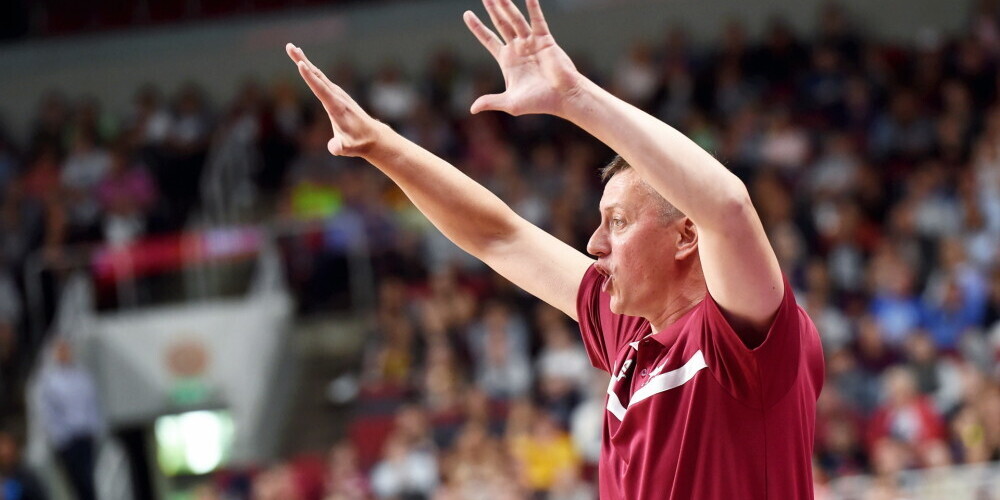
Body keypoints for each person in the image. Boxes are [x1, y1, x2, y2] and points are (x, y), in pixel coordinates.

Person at [285, 0, 824, 497]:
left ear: (687, 235)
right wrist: (382, 145)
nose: (594, 244)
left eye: (617, 222)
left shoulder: (744, 339)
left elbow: (728, 207)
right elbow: (500, 236)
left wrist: (576, 99)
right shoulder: (632, 332)